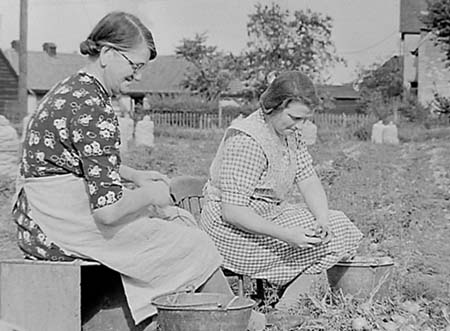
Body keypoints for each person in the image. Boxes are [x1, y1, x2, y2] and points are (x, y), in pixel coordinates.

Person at [12, 11, 235, 329]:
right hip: (54, 226)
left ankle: (205, 312)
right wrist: (150, 194)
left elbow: (76, 158)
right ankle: (220, 317)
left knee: (170, 227)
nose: (138, 77)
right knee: (189, 240)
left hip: (34, 214)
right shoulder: (94, 108)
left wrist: (132, 176)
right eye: (135, 66)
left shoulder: (73, 89)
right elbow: (107, 213)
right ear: (106, 53)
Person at [199, 70, 364, 312]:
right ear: (274, 106)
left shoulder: (289, 135)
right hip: (232, 232)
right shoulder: (247, 140)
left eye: (304, 119)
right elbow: (232, 211)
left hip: (267, 216)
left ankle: (286, 304)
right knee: (316, 244)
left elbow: (307, 178)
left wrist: (322, 219)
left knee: (338, 227)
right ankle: (284, 310)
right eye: (295, 118)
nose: (300, 125)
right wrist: (287, 235)